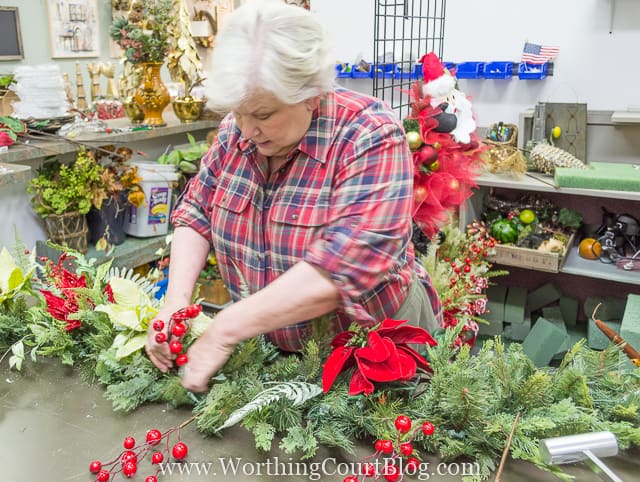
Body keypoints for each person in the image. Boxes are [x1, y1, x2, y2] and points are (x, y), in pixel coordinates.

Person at [146, 0, 442, 393]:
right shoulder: (237, 130)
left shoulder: (370, 136)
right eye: (239, 112)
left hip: (375, 354)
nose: (247, 129)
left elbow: (342, 268)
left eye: (264, 115)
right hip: (275, 348)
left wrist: (224, 330)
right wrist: (175, 302)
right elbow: (197, 211)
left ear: (312, 95)